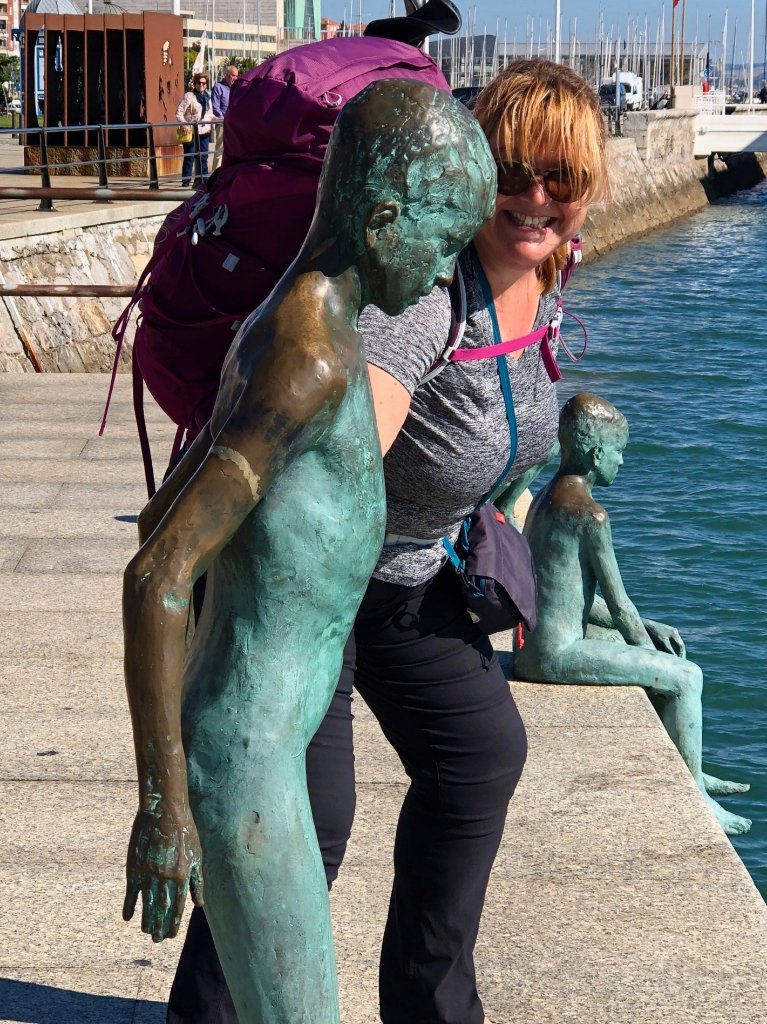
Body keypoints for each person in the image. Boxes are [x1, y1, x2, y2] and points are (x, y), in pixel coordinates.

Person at [167, 58, 610, 1024]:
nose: (537, 198)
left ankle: (430, 1007)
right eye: (516, 172)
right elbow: (319, 473)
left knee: (478, 753)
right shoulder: (421, 306)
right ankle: (211, 1013)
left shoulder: (541, 285)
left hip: (411, 578)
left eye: (562, 178)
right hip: (309, 594)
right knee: (302, 820)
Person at [122, 79, 496, 1024]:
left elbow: (164, 511)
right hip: (246, 757)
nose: (445, 275)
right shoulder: (310, 359)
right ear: (382, 221)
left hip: (256, 742)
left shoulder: (291, 326)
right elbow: (159, 571)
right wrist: (164, 803)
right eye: (442, 244)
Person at [515, 393, 751, 836]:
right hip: (552, 656)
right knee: (686, 678)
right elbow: (621, 606)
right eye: (618, 451)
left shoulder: (547, 497)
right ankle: (697, 800)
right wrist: (656, 659)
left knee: (653, 650)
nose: (622, 462)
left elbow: (562, 594)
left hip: (534, 644)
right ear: (595, 454)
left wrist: (651, 628)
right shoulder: (590, 516)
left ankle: (692, 771)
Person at [176, 73, 214, 187]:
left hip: (204, 130)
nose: (201, 85)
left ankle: (203, 179)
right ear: (195, 84)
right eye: (199, 83)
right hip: (191, 131)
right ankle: (186, 181)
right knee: (190, 156)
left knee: (204, 156)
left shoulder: (208, 97)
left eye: (204, 83)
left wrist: (216, 118)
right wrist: (184, 124)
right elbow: (179, 112)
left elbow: (209, 113)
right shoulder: (189, 96)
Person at [210, 65, 239, 171]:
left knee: (234, 150)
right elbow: (215, 107)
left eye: (237, 76)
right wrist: (225, 119)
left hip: (233, 123)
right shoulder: (218, 87)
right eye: (233, 75)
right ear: (226, 75)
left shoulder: (236, 88)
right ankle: (216, 174)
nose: (235, 78)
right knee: (219, 150)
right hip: (222, 123)